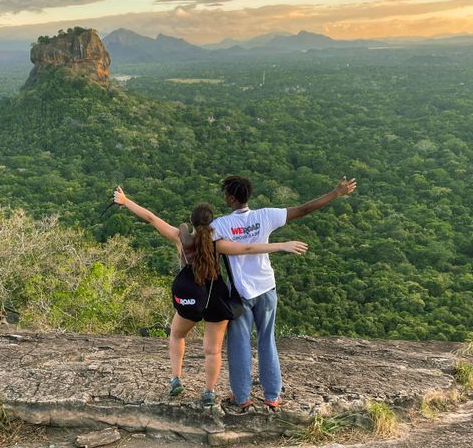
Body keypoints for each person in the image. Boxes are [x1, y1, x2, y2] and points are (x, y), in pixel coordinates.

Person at [112, 186, 308, 405]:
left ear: (192, 221)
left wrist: (125, 201)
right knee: (212, 351)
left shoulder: (180, 238)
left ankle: (176, 379)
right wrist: (282, 245)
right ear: (211, 222)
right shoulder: (217, 243)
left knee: (177, 335)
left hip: (192, 297)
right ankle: (208, 392)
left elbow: (151, 218)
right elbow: (247, 249)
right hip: (216, 298)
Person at [211, 174, 357, 412]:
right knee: (267, 339)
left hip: (240, 293)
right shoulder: (265, 215)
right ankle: (272, 396)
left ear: (231, 199)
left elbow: (195, 242)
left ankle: (242, 397)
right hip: (267, 287)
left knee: (239, 344)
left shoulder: (220, 225)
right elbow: (303, 209)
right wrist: (336, 193)